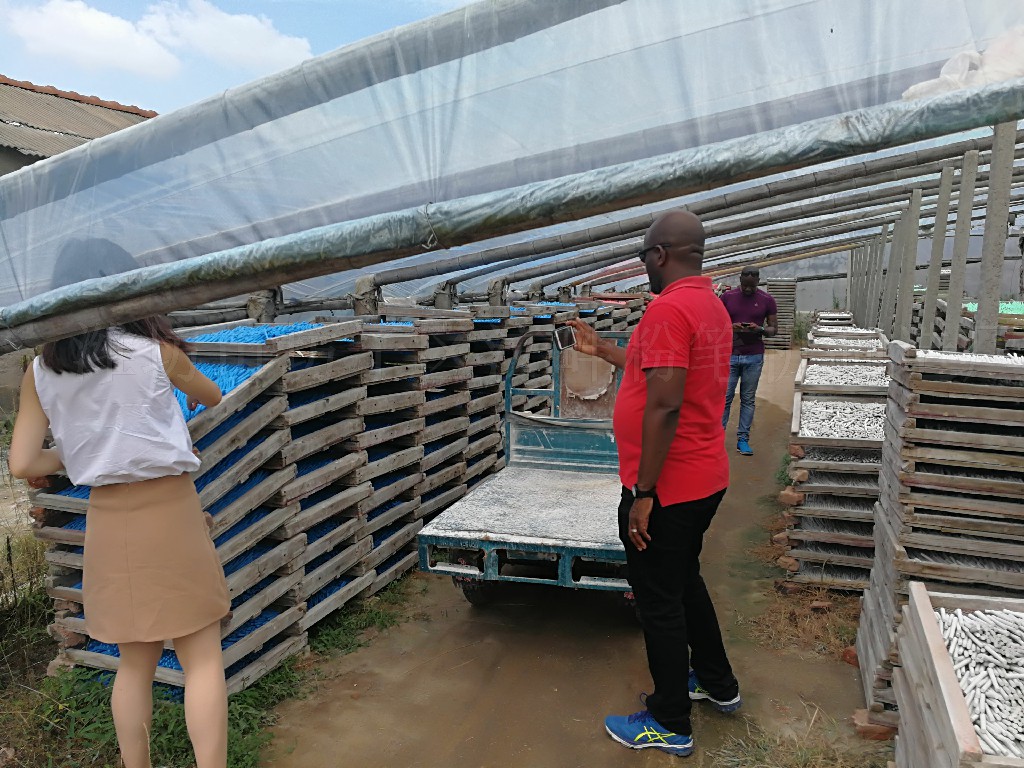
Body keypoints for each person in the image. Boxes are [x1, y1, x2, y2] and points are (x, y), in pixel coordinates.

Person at [8, 242, 230, 768]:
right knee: (201, 658)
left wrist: (81, 450)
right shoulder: (156, 353)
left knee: (133, 664)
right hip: (171, 512)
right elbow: (211, 395)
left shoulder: (40, 372)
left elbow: (23, 463)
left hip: (108, 521)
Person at [568, 210, 740, 758]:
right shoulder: (708, 304)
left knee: (658, 601)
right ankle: (716, 682)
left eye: (644, 256)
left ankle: (670, 721)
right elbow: (659, 368)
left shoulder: (668, 309)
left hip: (669, 485)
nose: (644, 266)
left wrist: (644, 494)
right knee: (684, 581)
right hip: (703, 476)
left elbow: (664, 404)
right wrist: (603, 351)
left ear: (659, 254)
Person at [719, 267, 777, 456]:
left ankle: (743, 439)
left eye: (752, 286)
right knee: (724, 398)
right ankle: (717, 439)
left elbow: (773, 329)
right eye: (745, 286)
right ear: (740, 280)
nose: (748, 289)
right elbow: (716, 324)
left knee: (748, 399)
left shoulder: (767, 300)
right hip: (729, 354)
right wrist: (731, 327)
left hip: (754, 356)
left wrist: (759, 329)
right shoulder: (727, 298)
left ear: (758, 281)